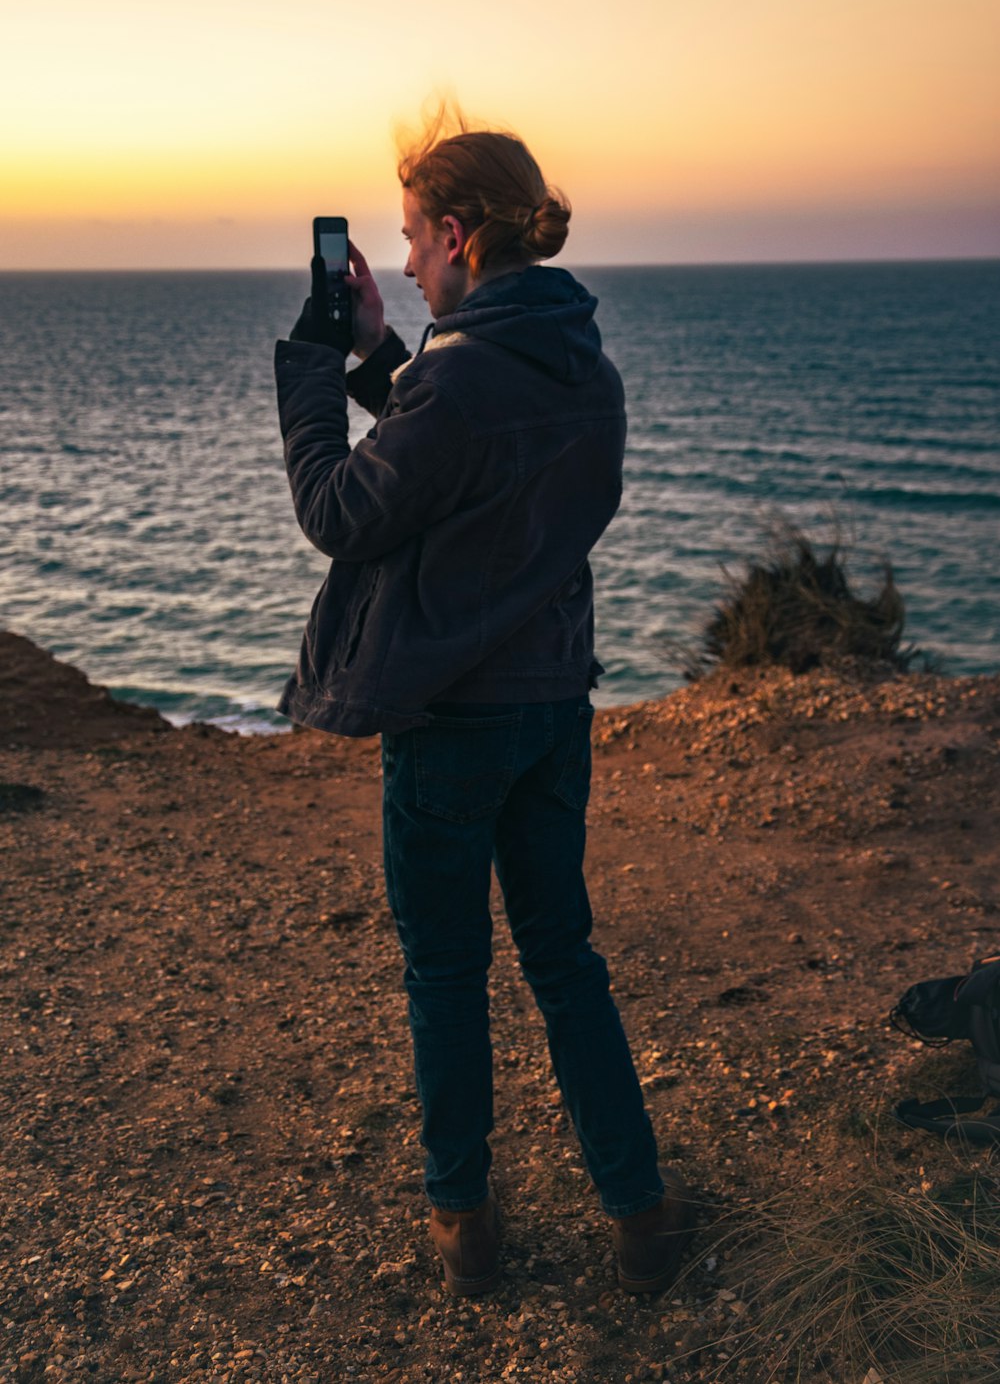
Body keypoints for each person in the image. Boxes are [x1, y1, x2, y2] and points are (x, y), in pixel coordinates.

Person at [274, 111, 697, 1296]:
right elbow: (462, 453)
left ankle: (464, 1223)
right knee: (565, 962)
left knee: (447, 977)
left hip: (454, 724)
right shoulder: (583, 369)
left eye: (412, 240)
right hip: (554, 708)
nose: (403, 266)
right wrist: (378, 359)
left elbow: (346, 513)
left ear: (457, 235)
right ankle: (641, 1212)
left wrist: (315, 376)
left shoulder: (459, 385)